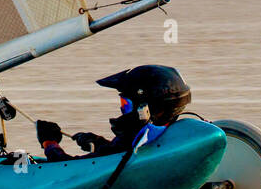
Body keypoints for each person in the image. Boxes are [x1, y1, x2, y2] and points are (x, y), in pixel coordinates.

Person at [36, 65, 192, 161]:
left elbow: (68, 170)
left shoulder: (133, 145)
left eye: (126, 103)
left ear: (144, 109)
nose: (122, 109)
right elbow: (115, 153)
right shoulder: (167, 137)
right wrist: (98, 142)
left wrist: (49, 143)